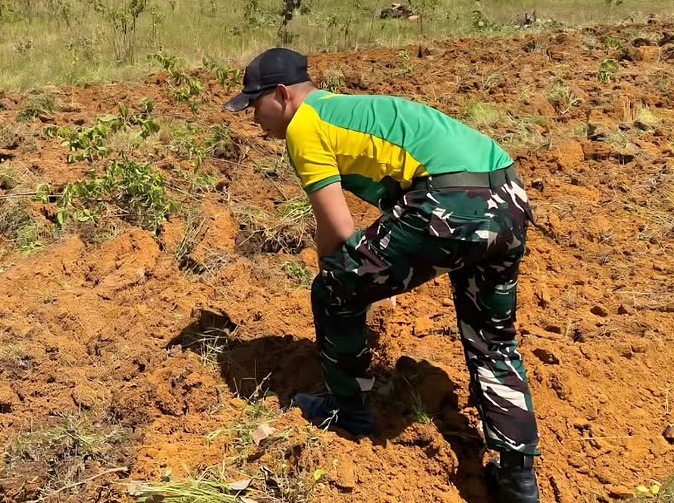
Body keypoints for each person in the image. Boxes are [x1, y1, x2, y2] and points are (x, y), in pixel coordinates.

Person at [224, 48, 541, 503]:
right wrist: (375, 271)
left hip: (449, 200)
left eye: (255, 105)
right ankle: (518, 477)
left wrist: (348, 283)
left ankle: (348, 412)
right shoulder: (349, 109)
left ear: (282, 95)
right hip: (506, 191)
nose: (253, 118)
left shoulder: (304, 126)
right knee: (493, 339)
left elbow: (338, 228)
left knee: (333, 289)